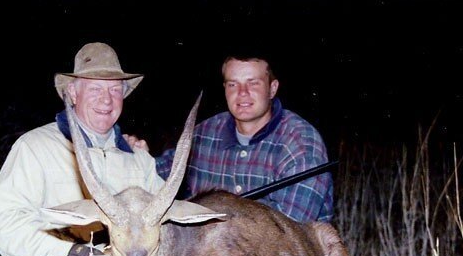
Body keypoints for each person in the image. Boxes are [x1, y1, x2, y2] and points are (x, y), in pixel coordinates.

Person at [0, 42, 165, 256]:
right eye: (95, 89)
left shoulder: (139, 159)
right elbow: (4, 223)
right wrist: (71, 252)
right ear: (72, 92)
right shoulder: (35, 147)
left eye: (114, 90)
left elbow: (167, 224)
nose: (107, 99)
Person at [132, 50, 333, 223]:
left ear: (272, 89)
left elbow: (289, 232)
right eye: (233, 85)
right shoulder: (204, 133)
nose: (242, 93)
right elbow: (161, 172)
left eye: (253, 83)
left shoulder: (301, 143)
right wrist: (132, 154)